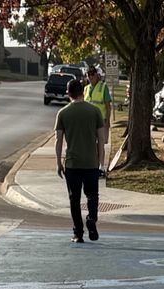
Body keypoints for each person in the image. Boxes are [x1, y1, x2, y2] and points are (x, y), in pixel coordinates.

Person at [53, 78, 107, 243]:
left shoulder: (63, 113)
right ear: (83, 91)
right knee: (92, 196)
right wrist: (101, 164)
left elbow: (59, 140)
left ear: (68, 93)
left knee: (74, 199)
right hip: (91, 162)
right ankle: (91, 218)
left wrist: (58, 163)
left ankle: (78, 233)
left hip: (72, 164)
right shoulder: (95, 111)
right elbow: (101, 139)